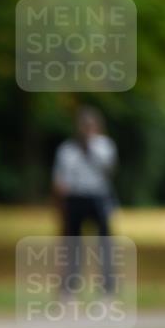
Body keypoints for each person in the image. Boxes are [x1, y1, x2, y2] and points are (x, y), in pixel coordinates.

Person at [52, 106, 118, 296]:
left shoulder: (105, 146)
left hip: (98, 196)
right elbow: (59, 180)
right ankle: (69, 286)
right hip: (75, 199)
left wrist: (89, 150)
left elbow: (109, 170)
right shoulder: (67, 149)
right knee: (72, 245)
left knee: (104, 243)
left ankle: (107, 286)